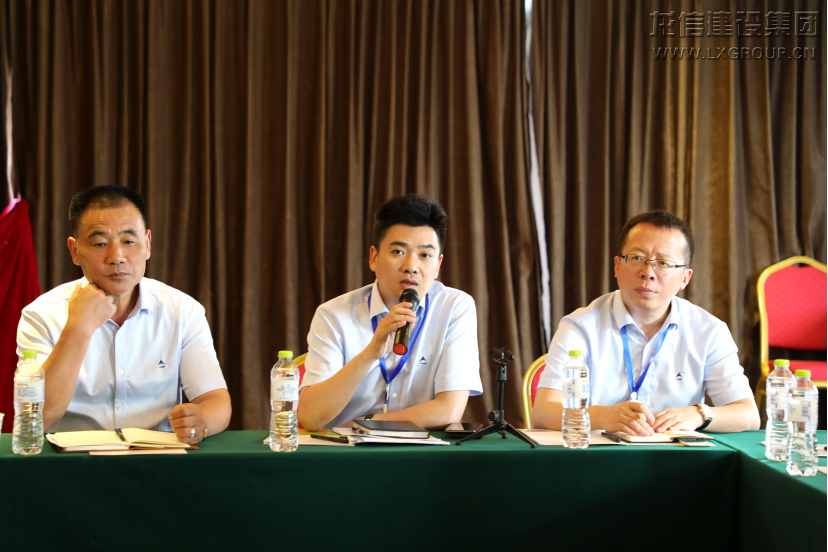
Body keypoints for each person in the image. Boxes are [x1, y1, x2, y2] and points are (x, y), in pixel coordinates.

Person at [17, 185, 231, 444]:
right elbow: (36, 419)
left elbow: (215, 400)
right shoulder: (41, 315)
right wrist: (78, 328)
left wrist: (201, 421)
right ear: (75, 251)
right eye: (100, 243)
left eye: (129, 241)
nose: (117, 257)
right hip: (73, 461)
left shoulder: (182, 310)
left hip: (156, 457)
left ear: (147, 244)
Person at [533, 211, 760, 435]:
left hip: (674, 455)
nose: (648, 272)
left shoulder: (708, 331)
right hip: (599, 452)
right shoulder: (580, 327)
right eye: (637, 258)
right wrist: (601, 416)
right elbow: (543, 413)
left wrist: (698, 414)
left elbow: (748, 415)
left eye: (664, 262)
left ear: (685, 278)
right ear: (617, 266)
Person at [298, 195, 482, 430]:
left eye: (425, 255)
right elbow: (311, 417)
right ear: (374, 258)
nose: (411, 266)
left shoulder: (455, 307)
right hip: (345, 449)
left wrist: (365, 425)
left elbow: (449, 411)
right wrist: (369, 354)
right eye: (398, 251)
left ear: (437, 265)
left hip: (415, 448)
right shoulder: (333, 315)